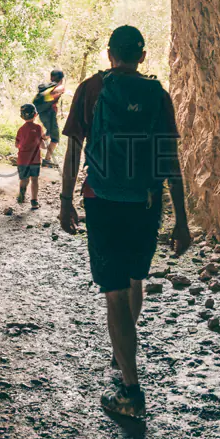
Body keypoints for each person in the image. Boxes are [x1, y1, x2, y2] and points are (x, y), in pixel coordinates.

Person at [59, 25, 191, 419]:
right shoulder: (157, 94)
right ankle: (122, 354)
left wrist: (66, 201)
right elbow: (170, 162)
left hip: (103, 201)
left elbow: (73, 151)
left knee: (114, 291)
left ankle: (130, 390)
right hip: (146, 203)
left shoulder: (91, 89)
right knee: (136, 279)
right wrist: (181, 220)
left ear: (109, 53)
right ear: (142, 55)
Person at [14, 103, 45, 209]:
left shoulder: (20, 130)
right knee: (34, 180)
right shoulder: (38, 128)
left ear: (21, 116)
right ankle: (34, 201)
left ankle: (21, 196)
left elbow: (17, 145)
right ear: (35, 114)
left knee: (24, 179)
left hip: (22, 160)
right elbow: (42, 144)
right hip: (35, 160)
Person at [33, 69, 65, 167]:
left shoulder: (47, 87)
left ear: (51, 77)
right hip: (49, 114)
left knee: (49, 133)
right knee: (55, 138)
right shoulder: (59, 87)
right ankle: (47, 160)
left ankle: (38, 138)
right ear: (62, 79)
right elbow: (53, 95)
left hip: (44, 114)